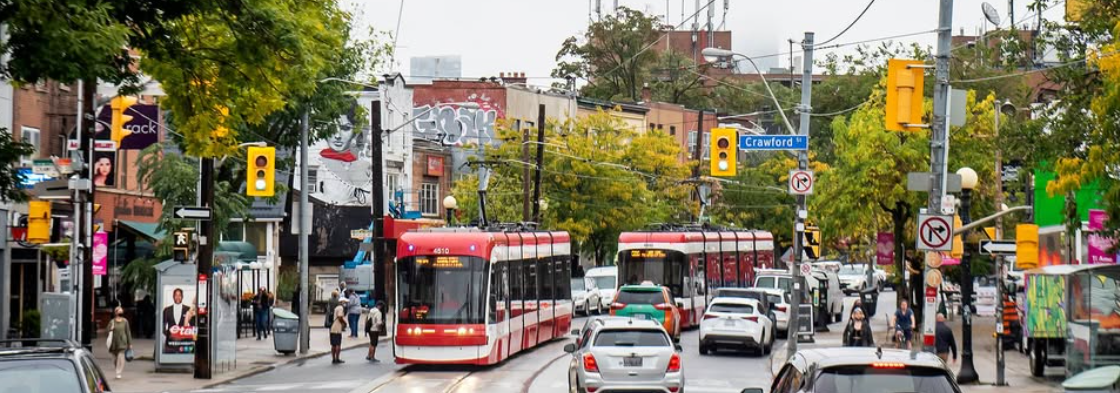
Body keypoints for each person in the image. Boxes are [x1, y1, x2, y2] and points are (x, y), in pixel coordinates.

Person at [107, 307, 133, 379]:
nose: (121, 313)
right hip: (114, 343)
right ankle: (117, 369)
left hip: (122, 343)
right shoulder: (112, 322)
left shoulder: (125, 321)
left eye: (122, 312)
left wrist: (130, 343)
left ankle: (118, 372)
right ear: (116, 313)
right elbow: (107, 330)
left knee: (120, 357)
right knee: (115, 359)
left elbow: (128, 332)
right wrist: (110, 329)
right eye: (119, 312)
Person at [330, 297, 348, 364]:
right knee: (338, 344)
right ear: (342, 302)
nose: (345, 304)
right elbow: (340, 316)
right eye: (345, 302)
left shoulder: (336, 308)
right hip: (337, 328)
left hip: (333, 327)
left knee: (333, 344)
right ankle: (337, 358)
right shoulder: (340, 308)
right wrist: (344, 323)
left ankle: (333, 358)